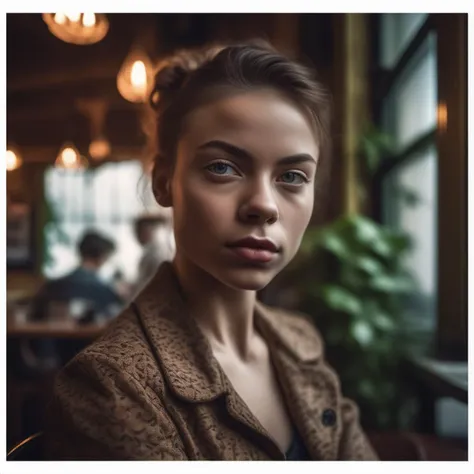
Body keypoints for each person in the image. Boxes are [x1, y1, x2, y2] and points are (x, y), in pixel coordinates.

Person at [43, 41, 378, 460]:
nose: (264, 206)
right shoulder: (111, 383)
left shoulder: (298, 340)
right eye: (222, 167)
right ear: (165, 182)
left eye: (292, 176)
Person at [132, 214, 176, 297]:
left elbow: (142, 286)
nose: (136, 236)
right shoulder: (164, 249)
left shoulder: (153, 253)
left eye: (138, 231)